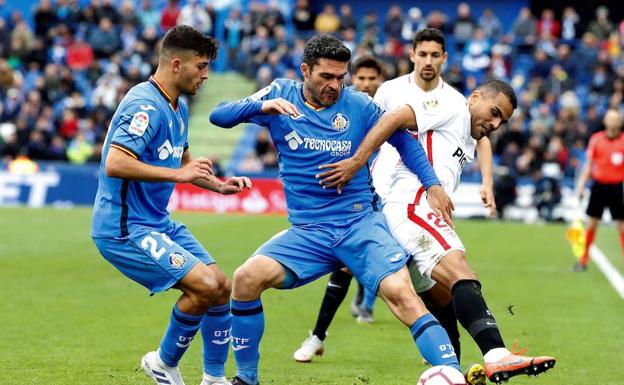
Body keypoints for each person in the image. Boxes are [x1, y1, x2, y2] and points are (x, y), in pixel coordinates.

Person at [210, 34, 459, 385]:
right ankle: (246, 379)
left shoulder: (358, 106)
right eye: (326, 77)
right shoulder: (279, 94)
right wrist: (259, 107)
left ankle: (453, 375)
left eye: (341, 77)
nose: (335, 85)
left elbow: (404, 140)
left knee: (403, 295)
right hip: (308, 232)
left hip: (360, 223)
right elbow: (218, 115)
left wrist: (432, 184)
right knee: (246, 279)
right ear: (305, 71)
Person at [317, 74, 557, 383]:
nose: (496, 124)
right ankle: (496, 354)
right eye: (494, 112)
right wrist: (357, 161)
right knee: (459, 269)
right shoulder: (453, 105)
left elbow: (482, 142)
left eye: (503, 122)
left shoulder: (470, 130)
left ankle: (452, 373)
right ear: (475, 98)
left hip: (402, 212)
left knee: (442, 299)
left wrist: (487, 182)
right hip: (413, 203)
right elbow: (396, 117)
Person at [294, 30, 494, 380]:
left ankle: (449, 361)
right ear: (413, 55)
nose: (429, 60)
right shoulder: (391, 91)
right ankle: (318, 335)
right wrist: (358, 165)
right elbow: (371, 132)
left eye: (436, 54)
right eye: (423, 54)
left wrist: (485, 182)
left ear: (444, 58)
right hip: (378, 193)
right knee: (357, 268)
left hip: (412, 198)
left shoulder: (455, 101)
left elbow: (479, 136)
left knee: (430, 288)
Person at [90, 25, 252, 385]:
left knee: (221, 285)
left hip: (157, 222)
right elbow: (115, 162)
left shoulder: (175, 106)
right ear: (177, 64)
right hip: (124, 227)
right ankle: (163, 363)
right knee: (204, 286)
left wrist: (218, 185)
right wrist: (179, 176)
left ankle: (213, 378)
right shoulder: (144, 105)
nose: (206, 75)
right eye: (202, 66)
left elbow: (183, 163)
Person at [573, 107, 624, 271]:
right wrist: (581, 186)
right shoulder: (596, 139)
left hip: (617, 187)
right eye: (610, 118)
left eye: (616, 119)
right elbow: (588, 165)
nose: (613, 122)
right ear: (605, 121)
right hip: (599, 187)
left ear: (620, 122)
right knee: (592, 224)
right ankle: (583, 260)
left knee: (622, 226)